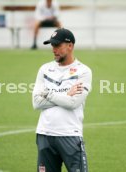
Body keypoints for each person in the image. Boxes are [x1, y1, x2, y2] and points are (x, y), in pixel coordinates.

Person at [32, 28, 92, 172]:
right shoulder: (44, 69)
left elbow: (73, 103)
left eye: (57, 45)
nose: (54, 49)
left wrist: (47, 93)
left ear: (70, 46)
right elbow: (36, 103)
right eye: (52, 45)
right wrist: (66, 94)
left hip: (70, 135)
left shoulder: (83, 71)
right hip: (44, 134)